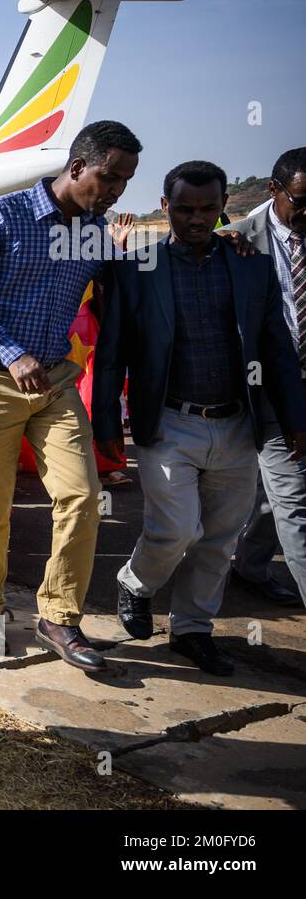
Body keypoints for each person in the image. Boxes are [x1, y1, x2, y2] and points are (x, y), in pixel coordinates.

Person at [0, 121, 142, 672]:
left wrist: (219, 244)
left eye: (124, 182)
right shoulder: (0, 217)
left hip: (54, 386)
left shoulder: (95, 234)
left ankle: (59, 616)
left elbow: (129, 282)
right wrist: (11, 352)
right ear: (77, 167)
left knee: (82, 497)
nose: (115, 191)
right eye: (108, 177)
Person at [95, 161, 306, 676]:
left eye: (208, 209)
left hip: (238, 424)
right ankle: (135, 582)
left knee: (219, 538)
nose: (196, 219)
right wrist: (106, 428)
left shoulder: (249, 264)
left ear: (224, 207)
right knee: (176, 530)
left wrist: (295, 416)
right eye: (185, 209)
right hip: (169, 423)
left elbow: (276, 347)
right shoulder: (138, 267)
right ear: (165, 207)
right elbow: (112, 353)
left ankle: (192, 630)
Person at [229, 147, 306, 607]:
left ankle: (251, 568)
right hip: (266, 388)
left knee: (273, 493)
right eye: (300, 201)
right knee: (296, 503)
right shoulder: (235, 241)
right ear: (275, 191)